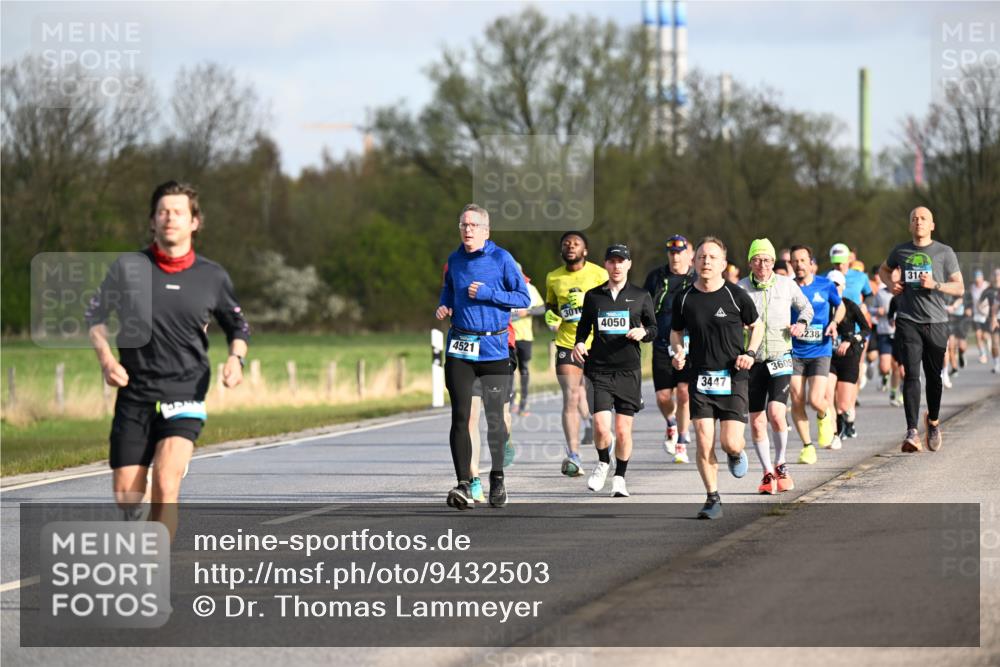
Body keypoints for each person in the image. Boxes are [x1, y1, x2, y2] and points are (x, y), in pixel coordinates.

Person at [86, 181, 250, 538]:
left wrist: (236, 359)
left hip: (185, 391)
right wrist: (105, 359)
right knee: (127, 496)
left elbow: (238, 326)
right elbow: (94, 318)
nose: (169, 217)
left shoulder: (212, 276)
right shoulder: (128, 268)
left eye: (178, 212)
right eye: (162, 211)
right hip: (135, 392)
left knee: (165, 483)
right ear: (152, 221)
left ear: (194, 221)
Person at [437, 204, 529, 509]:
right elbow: (449, 290)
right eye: (463, 224)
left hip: (494, 349)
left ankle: (498, 477)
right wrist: (444, 305)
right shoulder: (454, 259)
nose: (467, 230)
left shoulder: (501, 259)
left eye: (473, 225)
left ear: (486, 231)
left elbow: (523, 299)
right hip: (460, 346)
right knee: (461, 416)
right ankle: (464, 483)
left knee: (495, 420)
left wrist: (491, 293)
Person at [671, 237, 763, 519]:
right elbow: (676, 332)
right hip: (700, 377)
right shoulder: (685, 297)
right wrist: (677, 351)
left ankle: (736, 453)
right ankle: (712, 497)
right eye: (701, 257)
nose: (706, 262)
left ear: (723, 264)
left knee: (730, 442)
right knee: (703, 440)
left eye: (712, 257)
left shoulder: (736, 295)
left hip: (733, 377)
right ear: (693, 262)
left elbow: (756, 326)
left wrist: (749, 352)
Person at [573, 244, 657, 498]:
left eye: (621, 261)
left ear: (629, 264)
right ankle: (602, 462)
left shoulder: (641, 296)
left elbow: (654, 328)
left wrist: (643, 333)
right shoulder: (593, 296)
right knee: (600, 426)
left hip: (628, 370)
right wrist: (578, 342)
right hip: (599, 369)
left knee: (622, 430)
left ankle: (619, 477)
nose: (617, 266)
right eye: (612, 261)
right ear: (606, 265)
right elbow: (584, 327)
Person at [878, 206, 964, 452]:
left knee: (934, 377)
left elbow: (959, 288)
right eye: (914, 219)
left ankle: (934, 421)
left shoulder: (944, 252)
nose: (919, 222)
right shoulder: (900, 250)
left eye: (923, 219)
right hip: (908, 320)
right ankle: (912, 432)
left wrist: (935, 284)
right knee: (911, 374)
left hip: (936, 320)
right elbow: (885, 270)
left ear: (932, 225)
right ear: (909, 225)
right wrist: (891, 284)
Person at [738, 238, 813, 494]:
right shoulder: (740, 289)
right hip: (754, 361)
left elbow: (806, 307)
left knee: (777, 414)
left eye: (768, 260)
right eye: (757, 260)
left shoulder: (786, 284)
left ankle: (781, 463)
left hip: (781, 356)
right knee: (757, 421)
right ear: (750, 262)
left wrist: (801, 324)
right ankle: (767, 472)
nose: (763, 265)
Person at [545, 231, 609, 477]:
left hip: (597, 344)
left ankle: (604, 444)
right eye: (566, 244)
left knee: (598, 401)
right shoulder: (553, 277)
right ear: (561, 251)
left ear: (585, 250)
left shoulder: (599, 274)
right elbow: (552, 307)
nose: (570, 247)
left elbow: (611, 302)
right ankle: (573, 456)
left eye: (576, 244)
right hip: (567, 343)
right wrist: (552, 317)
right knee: (571, 396)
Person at [642, 234, 695, 463]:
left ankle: (682, 441)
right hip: (662, 344)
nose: (675, 256)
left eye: (679, 252)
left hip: (689, 345)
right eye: (671, 252)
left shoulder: (695, 278)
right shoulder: (656, 276)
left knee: (684, 392)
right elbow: (643, 303)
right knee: (663, 397)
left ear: (688, 254)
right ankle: (671, 423)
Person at [789, 245, 844, 463]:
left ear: (811, 263)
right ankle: (807, 446)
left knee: (815, 399)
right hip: (795, 351)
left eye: (803, 260)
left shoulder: (825, 285)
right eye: (795, 261)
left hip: (820, 349)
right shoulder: (788, 287)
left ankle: (824, 415)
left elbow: (840, 307)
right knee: (796, 400)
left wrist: (834, 322)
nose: (799, 265)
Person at [826, 270, 872, 440]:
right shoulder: (822, 307)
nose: (834, 288)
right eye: (830, 285)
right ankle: (835, 432)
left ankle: (848, 421)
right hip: (828, 357)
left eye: (837, 285)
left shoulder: (850, 306)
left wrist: (850, 340)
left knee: (844, 404)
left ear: (843, 287)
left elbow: (866, 329)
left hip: (849, 356)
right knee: (828, 396)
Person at [510, 264, 546, 415]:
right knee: (508, 369)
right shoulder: (503, 287)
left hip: (525, 336)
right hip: (508, 336)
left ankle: (524, 401)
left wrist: (528, 312)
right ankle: (512, 401)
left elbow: (543, 308)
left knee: (523, 369)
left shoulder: (530, 288)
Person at [870, 272, 903, 404]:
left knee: (899, 367)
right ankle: (884, 376)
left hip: (901, 335)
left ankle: (897, 392)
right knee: (885, 367)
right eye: (890, 278)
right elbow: (870, 308)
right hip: (884, 332)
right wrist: (877, 311)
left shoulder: (904, 292)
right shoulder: (880, 293)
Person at [969, 269, 991, 364]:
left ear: (982, 278)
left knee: (985, 336)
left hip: (986, 314)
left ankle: (989, 339)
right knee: (978, 335)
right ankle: (983, 354)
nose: (978, 280)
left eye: (979, 278)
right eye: (976, 279)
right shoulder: (972, 287)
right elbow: (969, 300)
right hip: (976, 314)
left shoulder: (988, 286)